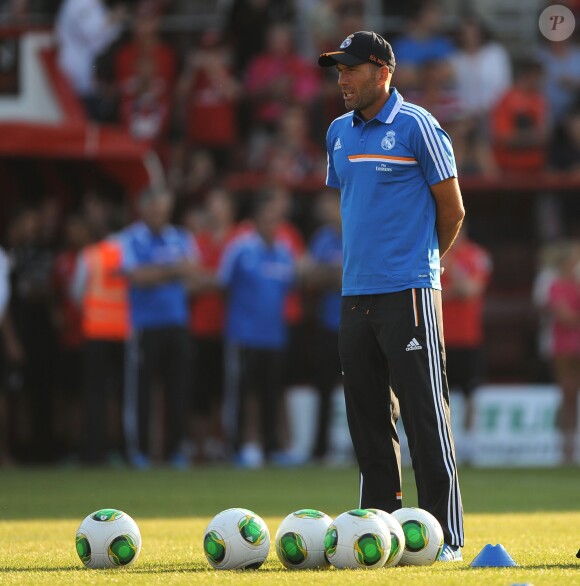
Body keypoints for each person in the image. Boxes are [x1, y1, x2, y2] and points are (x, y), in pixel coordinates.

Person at [318, 30, 465, 560]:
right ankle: (376, 535)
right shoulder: (337, 132)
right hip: (354, 294)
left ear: (383, 71)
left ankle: (444, 538)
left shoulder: (418, 127)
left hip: (409, 292)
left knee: (426, 418)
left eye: (351, 69)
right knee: (368, 423)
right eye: (338, 71)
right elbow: (357, 206)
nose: (342, 80)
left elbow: (453, 210)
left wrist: (422, 266)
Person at [121, 187, 199, 469]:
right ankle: (139, 451)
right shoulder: (131, 238)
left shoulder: (181, 237)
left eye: (162, 208)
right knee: (141, 391)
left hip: (177, 324)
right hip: (145, 326)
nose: (158, 214)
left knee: (178, 389)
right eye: (153, 208)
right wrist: (173, 270)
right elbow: (137, 276)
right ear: (143, 210)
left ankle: (176, 449)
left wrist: (159, 272)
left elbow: (193, 272)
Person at [218, 193, 295, 468]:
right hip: (244, 335)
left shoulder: (285, 250)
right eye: (268, 218)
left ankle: (272, 447)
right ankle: (240, 446)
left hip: (274, 336)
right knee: (243, 393)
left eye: (277, 219)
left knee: (272, 392)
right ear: (256, 220)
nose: (273, 224)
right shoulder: (240, 248)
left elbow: (291, 284)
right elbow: (222, 284)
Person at [71, 233, 129, 465]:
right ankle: (122, 450)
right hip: (123, 334)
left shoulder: (89, 255)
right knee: (123, 395)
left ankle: (94, 452)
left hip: (95, 331)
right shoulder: (128, 253)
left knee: (95, 395)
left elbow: (76, 292)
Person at [441, 225, 492, 461]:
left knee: (470, 393)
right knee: (438, 395)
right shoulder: (433, 253)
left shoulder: (476, 256)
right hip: (438, 338)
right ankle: (441, 446)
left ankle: (469, 447)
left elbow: (470, 289)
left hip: (467, 337)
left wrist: (452, 266)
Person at [307, 189, 343, 461]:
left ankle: (363, 453)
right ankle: (320, 450)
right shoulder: (322, 238)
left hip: (360, 325)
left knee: (366, 394)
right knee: (324, 391)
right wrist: (338, 276)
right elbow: (310, 277)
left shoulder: (359, 232)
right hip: (329, 325)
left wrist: (331, 276)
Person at [56, 0, 127, 118]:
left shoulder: (96, 5)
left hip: (89, 72)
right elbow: (92, 35)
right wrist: (113, 20)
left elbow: (107, 38)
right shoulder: (78, 3)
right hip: (73, 72)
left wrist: (112, 22)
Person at [546, 240, 580, 464]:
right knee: (568, 395)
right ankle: (565, 447)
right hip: (564, 348)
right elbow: (565, 317)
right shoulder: (555, 285)